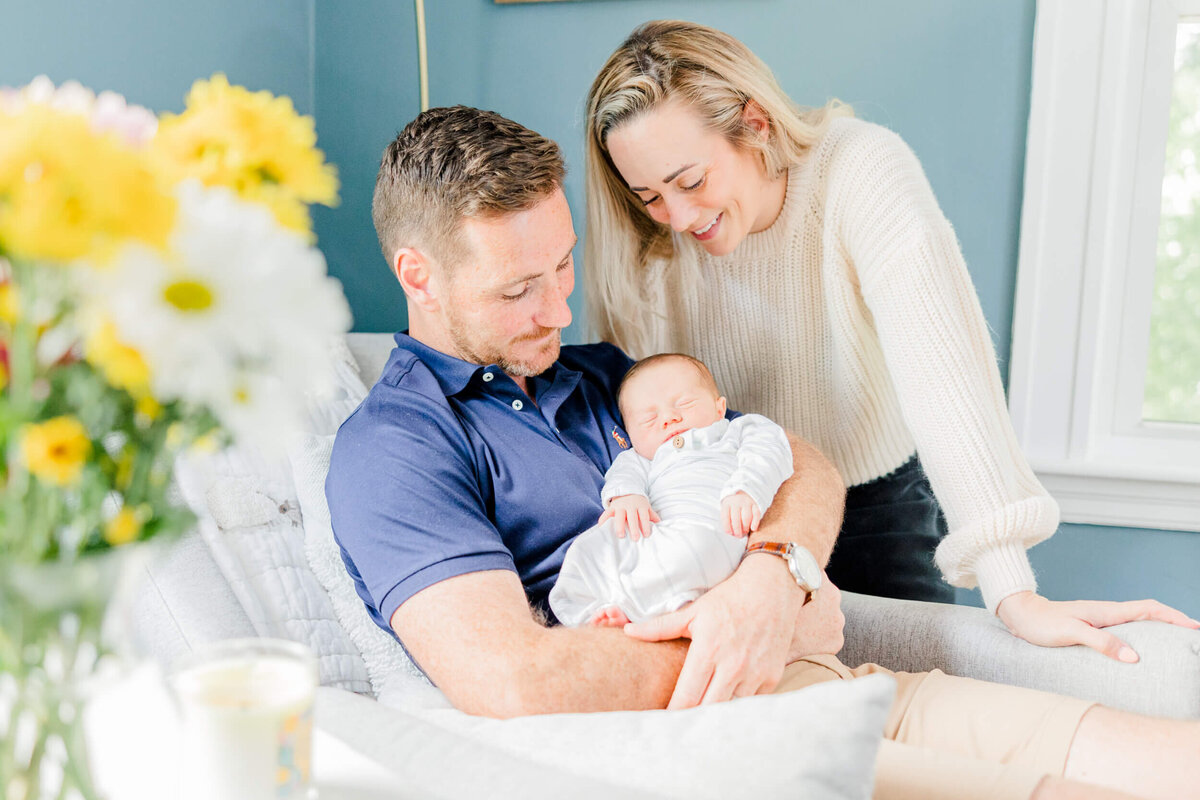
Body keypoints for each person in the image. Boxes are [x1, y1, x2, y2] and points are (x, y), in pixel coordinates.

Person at [326, 103, 1200, 800]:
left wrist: (771, 577)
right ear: (418, 276)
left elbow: (798, 459)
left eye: (563, 268)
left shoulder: (598, 375)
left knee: (1174, 761)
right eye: (519, 288)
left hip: (836, 679)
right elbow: (512, 682)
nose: (559, 309)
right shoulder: (397, 447)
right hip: (724, 740)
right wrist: (749, 634)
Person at [582, 19, 1200, 653]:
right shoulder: (649, 237)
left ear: (756, 124)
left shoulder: (859, 171)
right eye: (650, 195)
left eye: (691, 182)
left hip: (876, 506)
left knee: (908, 695)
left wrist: (1013, 590)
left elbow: (943, 372)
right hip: (726, 515)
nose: (679, 217)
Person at [549, 352, 795, 627]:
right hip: (654, 529)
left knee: (691, 556)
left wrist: (747, 489)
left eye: (684, 404)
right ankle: (594, 611)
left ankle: (637, 609)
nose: (668, 418)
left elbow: (770, 449)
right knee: (592, 548)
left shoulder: (737, 431)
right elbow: (622, 475)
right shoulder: (639, 459)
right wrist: (627, 496)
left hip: (712, 527)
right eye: (648, 419)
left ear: (719, 408)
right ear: (631, 434)